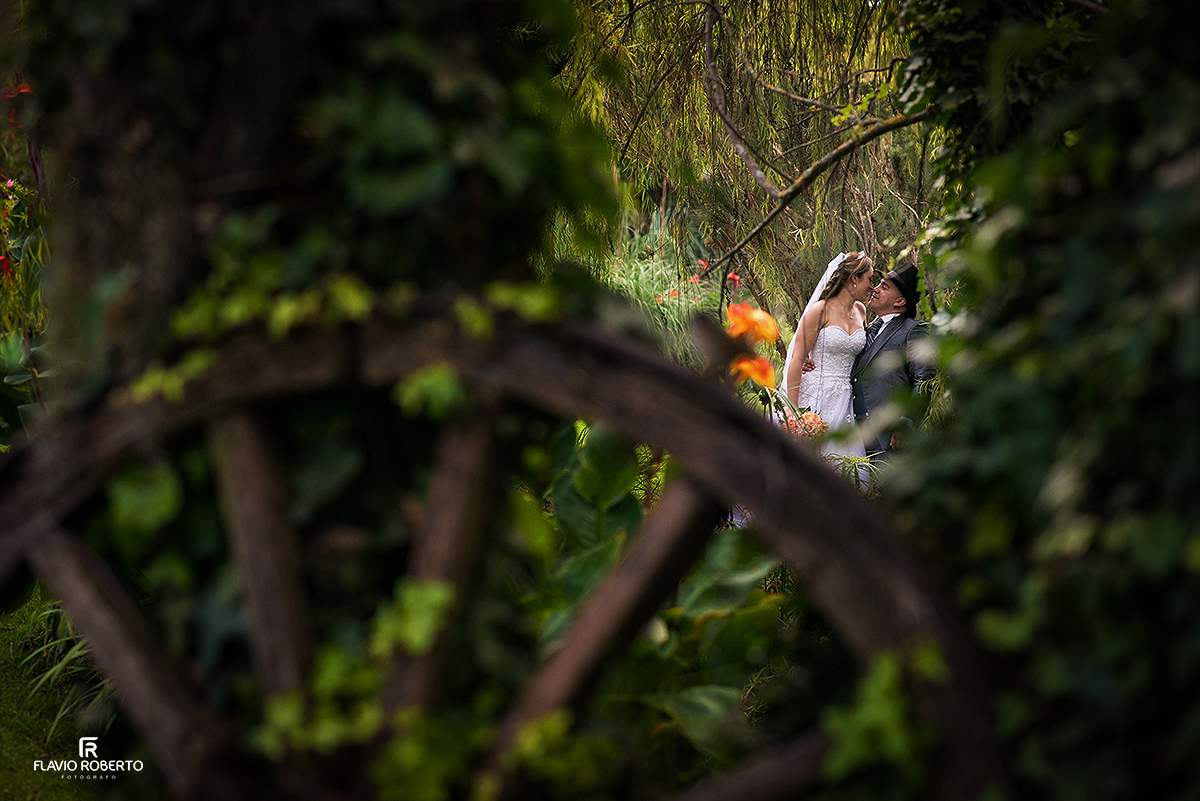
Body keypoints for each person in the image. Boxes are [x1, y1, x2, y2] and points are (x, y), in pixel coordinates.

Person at [781, 251, 875, 460]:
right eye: (869, 279)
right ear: (854, 278)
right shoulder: (819, 310)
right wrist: (793, 412)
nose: (872, 286)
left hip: (846, 399)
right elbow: (796, 359)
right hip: (815, 394)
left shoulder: (861, 310)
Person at [850, 260, 934, 460]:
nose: (875, 288)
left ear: (900, 302)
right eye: (878, 283)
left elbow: (924, 380)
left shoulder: (912, 330)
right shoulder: (865, 330)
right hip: (856, 438)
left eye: (884, 287)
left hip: (888, 440)